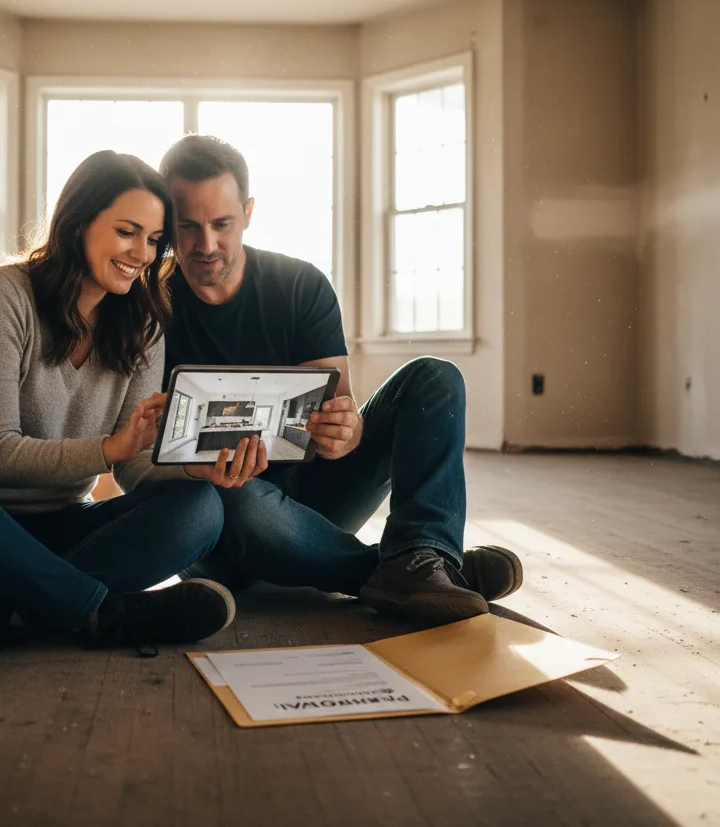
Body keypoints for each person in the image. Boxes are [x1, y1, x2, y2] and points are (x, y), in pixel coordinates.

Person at [0, 151, 235, 661]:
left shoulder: (143, 324)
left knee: (201, 509)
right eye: (127, 232)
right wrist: (107, 447)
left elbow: (133, 469)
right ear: (78, 223)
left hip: (60, 534)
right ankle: (101, 612)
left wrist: (197, 470)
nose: (143, 253)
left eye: (153, 240)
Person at [151, 134, 523, 626]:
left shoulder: (299, 284)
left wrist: (343, 434)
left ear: (248, 211)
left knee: (435, 377)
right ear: (166, 224)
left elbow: (337, 436)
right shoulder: (147, 304)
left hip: (318, 499)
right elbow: (143, 456)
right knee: (223, 496)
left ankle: (421, 552)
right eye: (187, 227)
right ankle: (420, 568)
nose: (206, 245)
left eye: (222, 224)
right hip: (226, 520)